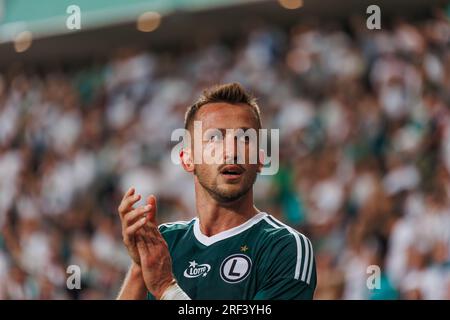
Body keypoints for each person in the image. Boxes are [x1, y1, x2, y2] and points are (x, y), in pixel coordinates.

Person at [116, 82, 316, 300]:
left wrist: (166, 288)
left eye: (245, 138)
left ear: (260, 160)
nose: (232, 151)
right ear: (187, 159)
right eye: (214, 138)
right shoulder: (166, 243)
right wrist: (139, 268)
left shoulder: (283, 247)